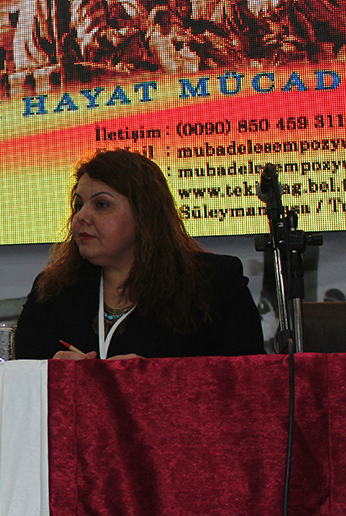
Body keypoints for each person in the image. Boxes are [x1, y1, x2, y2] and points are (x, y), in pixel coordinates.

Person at [15, 150, 264, 360]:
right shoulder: (52, 292)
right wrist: (50, 376)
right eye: (79, 205)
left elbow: (250, 382)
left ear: (145, 214)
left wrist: (154, 379)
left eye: (101, 204)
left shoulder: (213, 284)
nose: (81, 217)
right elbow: (19, 382)